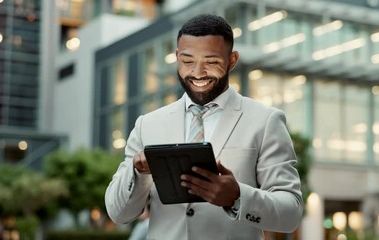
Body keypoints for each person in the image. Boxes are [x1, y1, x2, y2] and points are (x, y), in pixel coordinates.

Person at [105, 14, 303, 240]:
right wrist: (139, 173)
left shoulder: (265, 121)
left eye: (211, 62)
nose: (198, 73)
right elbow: (117, 213)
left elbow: (291, 213)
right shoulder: (147, 125)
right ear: (177, 57)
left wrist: (237, 196)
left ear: (232, 60)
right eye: (187, 61)